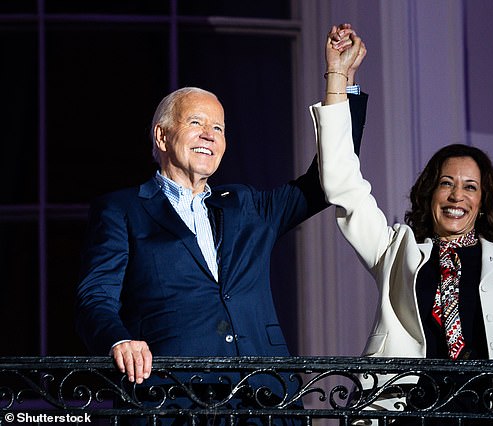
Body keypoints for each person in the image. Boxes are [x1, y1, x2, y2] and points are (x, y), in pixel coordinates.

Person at [74, 24, 367, 422]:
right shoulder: (122, 209)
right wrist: (119, 340)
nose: (209, 135)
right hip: (173, 400)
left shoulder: (246, 205)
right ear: (162, 137)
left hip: (265, 398)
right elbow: (95, 298)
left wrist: (339, 79)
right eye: (196, 123)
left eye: (219, 128)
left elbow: (324, 182)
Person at [310, 31, 493, 425]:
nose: (456, 195)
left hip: (490, 418)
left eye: (470, 187)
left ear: (483, 201)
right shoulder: (396, 250)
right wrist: (337, 79)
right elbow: (342, 183)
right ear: (430, 193)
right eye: (446, 183)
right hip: (408, 415)